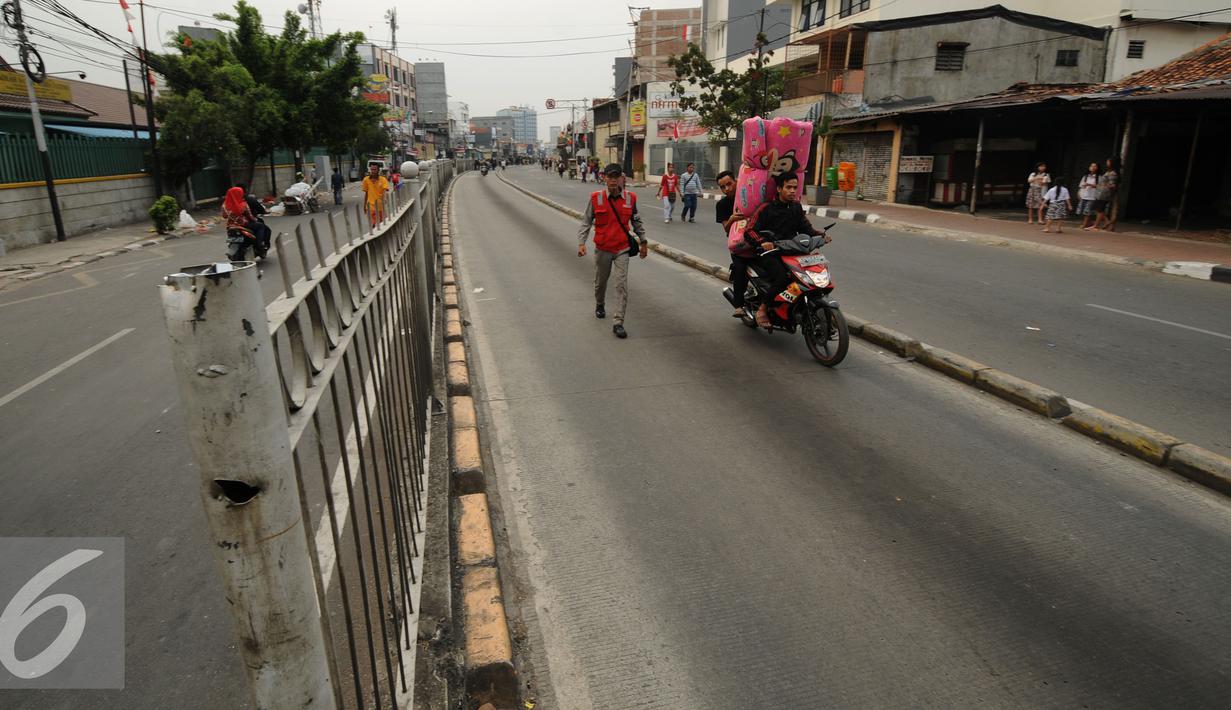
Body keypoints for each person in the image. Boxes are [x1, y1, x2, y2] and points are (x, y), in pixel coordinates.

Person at [745, 172, 829, 328]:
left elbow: (806, 228)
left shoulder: (796, 207)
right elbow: (749, 230)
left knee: (808, 276)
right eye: (788, 187)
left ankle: (796, 307)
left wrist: (820, 236)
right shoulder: (766, 208)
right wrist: (763, 242)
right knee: (782, 278)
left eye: (795, 188)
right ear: (779, 189)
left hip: (793, 250)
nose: (792, 191)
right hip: (771, 253)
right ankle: (763, 309)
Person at [577, 163, 648, 339]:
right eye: (610, 176)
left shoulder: (630, 198)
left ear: (621, 178)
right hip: (603, 248)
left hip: (622, 248)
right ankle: (600, 303)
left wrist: (644, 242)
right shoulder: (596, 198)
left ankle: (618, 322)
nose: (613, 180)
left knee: (621, 285)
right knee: (600, 283)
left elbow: (637, 222)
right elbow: (586, 221)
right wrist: (581, 243)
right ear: (605, 178)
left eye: (617, 176)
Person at [714, 170, 750, 318]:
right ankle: (739, 305)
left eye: (729, 184)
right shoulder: (722, 204)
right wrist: (732, 219)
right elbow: (726, 228)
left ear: (736, 181)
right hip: (738, 245)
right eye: (723, 187)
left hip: (757, 240)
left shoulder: (748, 196)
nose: (727, 189)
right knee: (740, 269)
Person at [222, 185, 270, 251]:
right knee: (260, 226)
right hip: (243, 224)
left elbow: (224, 216)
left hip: (230, 226)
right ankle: (259, 245)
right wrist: (255, 220)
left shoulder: (224, 205)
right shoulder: (243, 204)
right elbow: (250, 216)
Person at [1092, 157, 1120, 231]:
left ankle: (1096, 225)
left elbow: (1112, 185)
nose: (1107, 163)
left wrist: (1103, 186)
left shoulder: (1112, 173)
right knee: (1098, 209)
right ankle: (1107, 222)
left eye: (1108, 161)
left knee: (1100, 209)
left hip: (1104, 193)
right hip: (1100, 192)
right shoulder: (1109, 172)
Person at [361, 163, 389, 227]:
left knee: (382, 225)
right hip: (370, 206)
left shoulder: (383, 179)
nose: (373, 171)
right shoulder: (366, 180)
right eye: (371, 169)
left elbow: (385, 191)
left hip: (380, 206)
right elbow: (366, 193)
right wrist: (364, 206)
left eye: (374, 169)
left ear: (378, 170)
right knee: (373, 224)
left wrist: (385, 199)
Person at [1076, 162, 1101, 230]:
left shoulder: (1098, 177)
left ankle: (1084, 224)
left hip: (1092, 196)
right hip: (1084, 195)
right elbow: (1081, 186)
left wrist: (1089, 185)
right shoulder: (1085, 176)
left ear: (1097, 168)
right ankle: (1089, 222)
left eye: (1095, 166)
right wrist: (1079, 193)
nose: (1093, 167)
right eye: (1091, 166)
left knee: (1087, 211)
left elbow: (1100, 186)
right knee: (1081, 211)